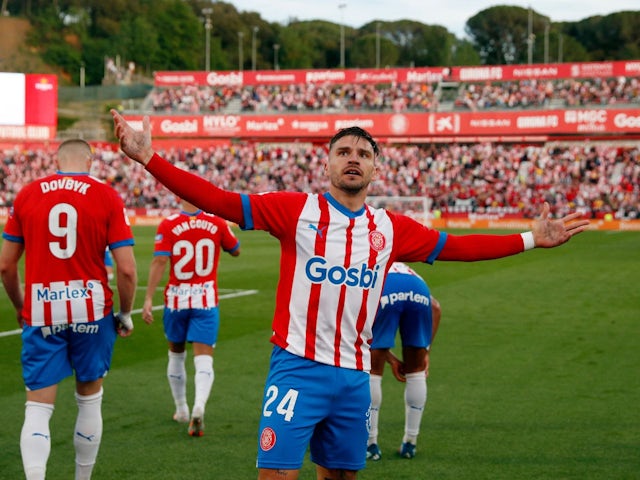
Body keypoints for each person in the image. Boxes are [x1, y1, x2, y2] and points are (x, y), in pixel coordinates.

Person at [111, 110, 589, 480]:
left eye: (363, 152)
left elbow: (459, 248)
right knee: (275, 472)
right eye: (344, 151)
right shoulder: (294, 211)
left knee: (341, 474)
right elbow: (217, 199)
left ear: (376, 169)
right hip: (297, 367)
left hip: (355, 376)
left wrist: (530, 239)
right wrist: (149, 158)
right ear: (328, 164)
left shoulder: (390, 228)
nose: (354, 157)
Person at [0, 139, 137, 480]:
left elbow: (5, 266)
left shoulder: (28, 194)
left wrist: (20, 306)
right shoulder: (106, 196)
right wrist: (125, 312)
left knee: (37, 408)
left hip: (42, 309)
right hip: (91, 310)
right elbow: (127, 269)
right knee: (89, 399)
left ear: (56, 160)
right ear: (90, 160)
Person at [141, 198, 240, 437]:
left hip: (176, 300)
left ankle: (181, 408)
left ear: (178, 196)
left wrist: (147, 298)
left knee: (175, 354)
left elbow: (160, 260)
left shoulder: (168, 224)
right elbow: (236, 250)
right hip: (205, 299)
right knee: (204, 358)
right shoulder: (216, 222)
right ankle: (199, 405)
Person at [367, 262, 441, 461]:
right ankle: (410, 443)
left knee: (372, 372)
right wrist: (425, 351)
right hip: (418, 290)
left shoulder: (366, 266)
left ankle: (370, 444)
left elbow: (361, 333)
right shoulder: (406, 269)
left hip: (384, 289)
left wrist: (387, 359)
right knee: (416, 372)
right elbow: (436, 307)